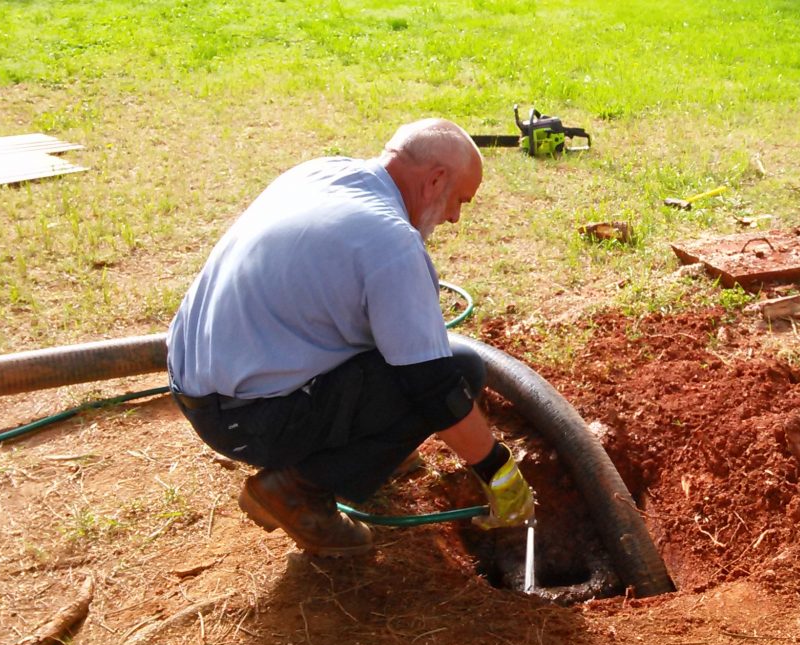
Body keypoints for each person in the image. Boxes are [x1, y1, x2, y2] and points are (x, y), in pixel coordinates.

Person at [166, 118, 534, 557]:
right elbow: (435, 386)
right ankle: (295, 491)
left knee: (411, 357)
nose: (455, 216)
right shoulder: (390, 243)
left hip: (199, 386)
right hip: (247, 419)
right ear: (435, 180)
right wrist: (497, 470)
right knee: (461, 370)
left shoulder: (321, 172)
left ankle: (361, 458)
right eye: (460, 200)